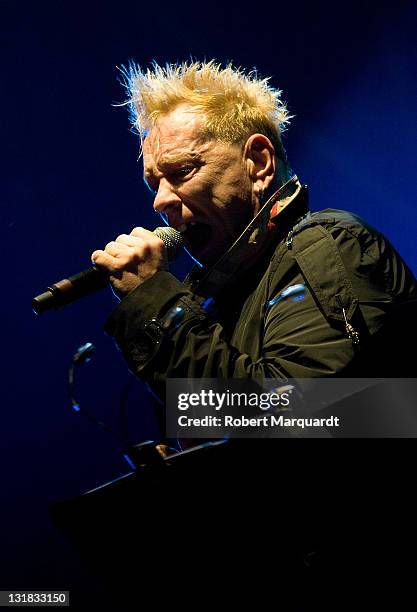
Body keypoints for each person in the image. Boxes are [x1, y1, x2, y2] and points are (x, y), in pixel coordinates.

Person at [91, 60, 416, 431]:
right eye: (155, 184)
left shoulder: (327, 245)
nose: (160, 201)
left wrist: (154, 301)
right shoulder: (217, 299)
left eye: (181, 171)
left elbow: (288, 417)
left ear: (258, 162)